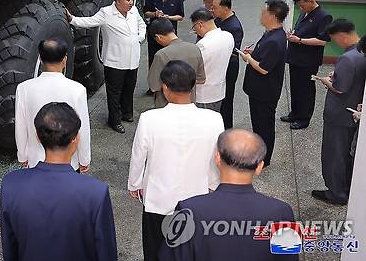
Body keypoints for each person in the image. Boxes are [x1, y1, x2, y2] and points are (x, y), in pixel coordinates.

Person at [128, 61, 224, 261]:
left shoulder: (149, 119)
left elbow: (138, 156)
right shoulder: (214, 119)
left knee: (155, 250)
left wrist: (134, 184)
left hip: (158, 199)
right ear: (193, 85)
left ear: (165, 86)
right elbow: (218, 159)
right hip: (198, 199)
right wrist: (214, 185)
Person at [1, 102, 118, 261]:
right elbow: (106, 252)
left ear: (37, 135)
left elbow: (10, 246)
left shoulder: (11, 184)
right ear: (75, 139)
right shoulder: (96, 193)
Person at [159, 129, 298, 261]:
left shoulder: (188, 210)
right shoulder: (282, 212)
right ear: (259, 167)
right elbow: (288, 257)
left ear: (218, 159)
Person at [67, 0, 146, 133]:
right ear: (118, 1)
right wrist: (72, 19)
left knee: (129, 88)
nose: (130, 3)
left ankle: (127, 113)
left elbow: (142, 24)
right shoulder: (106, 13)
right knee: (114, 93)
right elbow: (89, 22)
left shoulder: (133, 11)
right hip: (115, 61)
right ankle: (114, 121)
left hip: (132, 59)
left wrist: (140, 38)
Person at [15, 39, 91, 172]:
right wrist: (84, 159)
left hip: (36, 160)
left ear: (40, 58)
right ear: (65, 60)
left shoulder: (24, 88)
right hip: (68, 160)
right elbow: (82, 128)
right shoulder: (77, 89)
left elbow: (20, 126)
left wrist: (22, 155)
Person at [312, 19, 366, 206]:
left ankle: (336, 192)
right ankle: (346, 187)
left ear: (341, 36)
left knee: (334, 155)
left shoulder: (347, 58)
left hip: (340, 114)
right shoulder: (361, 53)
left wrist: (327, 82)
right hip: (353, 112)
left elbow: (340, 88)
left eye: (335, 39)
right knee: (346, 154)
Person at [239, 0, 289, 167]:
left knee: (264, 125)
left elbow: (264, 68)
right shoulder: (271, 33)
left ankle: (263, 159)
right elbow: (265, 55)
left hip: (265, 91)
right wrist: (253, 52)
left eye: (263, 12)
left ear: (272, 16)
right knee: (258, 123)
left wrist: (248, 58)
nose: (261, 15)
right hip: (259, 89)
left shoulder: (275, 40)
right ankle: (258, 152)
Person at [281, 0, 333, 129]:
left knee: (306, 89)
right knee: (295, 87)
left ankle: (304, 118)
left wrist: (299, 40)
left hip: (309, 60)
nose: (300, 8)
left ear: (311, 1)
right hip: (295, 56)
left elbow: (322, 41)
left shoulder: (324, 16)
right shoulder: (305, 11)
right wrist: (293, 34)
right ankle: (295, 113)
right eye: (299, 5)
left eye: (302, 5)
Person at [147, 18, 205, 109]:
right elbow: (201, 79)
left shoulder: (161, 55)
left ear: (158, 37)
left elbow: (154, 86)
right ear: (173, 30)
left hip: (166, 105)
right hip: (189, 102)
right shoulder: (195, 48)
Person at [191, 8, 235, 113]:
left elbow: (195, 69)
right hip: (219, 90)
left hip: (203, 93)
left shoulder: (202, 44)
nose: (195, 31)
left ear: (200, 24)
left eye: (194, 27)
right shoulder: (228, 36)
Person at [212, 0, 244, 128]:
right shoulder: (219, 20)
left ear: (226, 8)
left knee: (226, 98)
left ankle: (226, 127)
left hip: (229, 67)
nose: (213, 10)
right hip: (218, 65)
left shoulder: (234, 27)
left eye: (215, 8)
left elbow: (232, 51)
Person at [144, 0, 185, 70]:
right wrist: (155, 14)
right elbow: (146, 13)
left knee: (169, 62)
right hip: (154, 36)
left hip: (169, 36)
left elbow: (180, 16)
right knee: (154, 61)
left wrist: (168, 17)